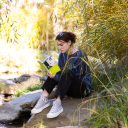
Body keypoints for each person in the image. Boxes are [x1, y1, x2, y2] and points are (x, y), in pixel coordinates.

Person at [31, 32, 92, 118]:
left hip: (82, 89)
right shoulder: (62, 55)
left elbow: (73, 77)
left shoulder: (80, 55)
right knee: (55, 69)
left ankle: (58, 103)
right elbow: (62, 77)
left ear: (69, 42)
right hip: (68, 89)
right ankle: (43, 98)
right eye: (58, 45)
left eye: (61, 45)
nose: (59, 48)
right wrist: (51, 73)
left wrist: (55, 76)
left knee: (66, 72)